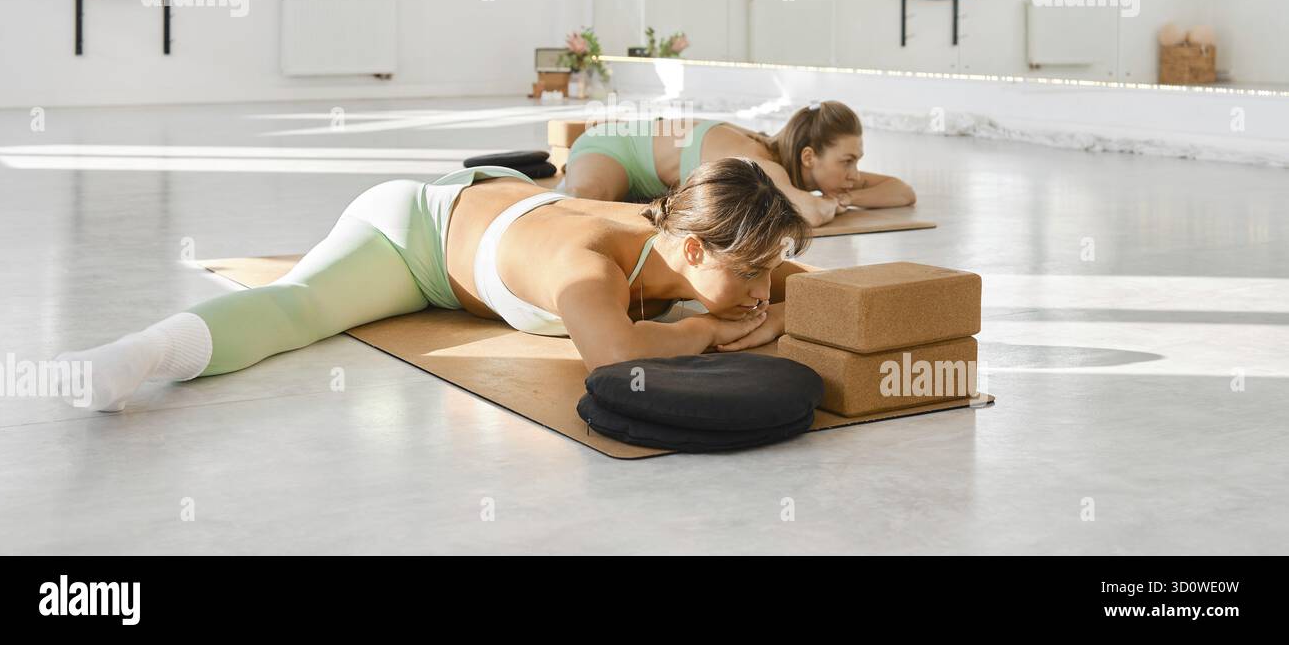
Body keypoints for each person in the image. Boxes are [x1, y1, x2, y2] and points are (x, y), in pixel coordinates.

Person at [53, 159, 815, 412]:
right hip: (414, 231)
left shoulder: (688, 237)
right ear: (688, 248)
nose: (763, 284)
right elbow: (615, 363)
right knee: (302, 307)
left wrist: (780, 304)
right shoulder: (587, 269)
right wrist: (708, 331)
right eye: (750, 271)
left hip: (502, 196)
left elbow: (801, 289)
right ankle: (134, 354)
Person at [564, 100, 915, 225]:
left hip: (648, 172)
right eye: (848, 161)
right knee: (583, 204)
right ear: (809, 156)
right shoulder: (765, 165)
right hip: (614, 146)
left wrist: (844, 198)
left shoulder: (815, 174)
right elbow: (807, 213)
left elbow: (902, 192)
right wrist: (826, 204)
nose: (854, 173)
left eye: (858, 162)